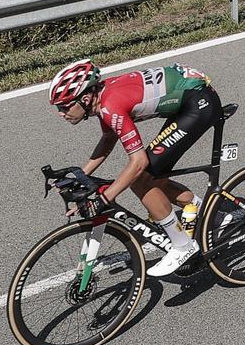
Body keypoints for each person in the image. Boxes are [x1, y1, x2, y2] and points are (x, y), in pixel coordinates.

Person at [50, 60, 221, 279]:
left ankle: (182, 246)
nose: (60, 113)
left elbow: (138, 162)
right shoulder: (102, 100)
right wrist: (81, 174)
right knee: (151, 176)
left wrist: (105, 199)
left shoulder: (110, 105)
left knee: (140, 179)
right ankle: (206, 212)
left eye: (64, 106)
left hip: (198, 104)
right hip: (187, 97)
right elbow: (109, 137)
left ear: (84, 98)